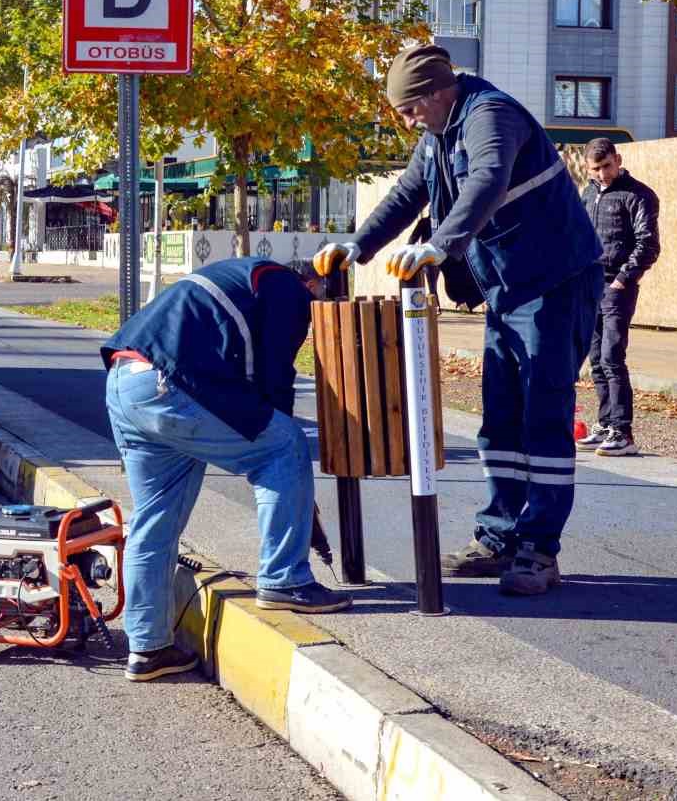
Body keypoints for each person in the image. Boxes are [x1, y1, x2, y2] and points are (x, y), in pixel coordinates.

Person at [313, 44, 602, 596]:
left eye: (409, 109)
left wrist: (442, 246)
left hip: (557, 284)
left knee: (543, 416)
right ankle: (498, 537)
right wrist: (359, 246)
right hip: (509, 290)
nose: (406, 121)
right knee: (500, 415)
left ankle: (538, 550)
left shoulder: (491, 114)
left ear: (438, 92)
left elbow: (488, 179)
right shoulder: (439, 135)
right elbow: (406, 194)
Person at [102, 256, 350, 682]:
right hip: (170, 384)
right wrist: (291, 481)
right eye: (326, 301)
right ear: (313, 283)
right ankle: (285, 579)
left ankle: (147, 648)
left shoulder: (243, 275)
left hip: (125, 381)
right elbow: (274, 378)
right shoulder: (285, 286)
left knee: (156, 519)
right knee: (284, 445)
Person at [575, 137, 660, 457]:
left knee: (612, 356)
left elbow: (648, 244)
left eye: (607, 166)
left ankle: (623, 432)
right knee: (596, 359)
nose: (602, 174)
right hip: (590, 286)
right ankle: (606, 423)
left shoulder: (638, 195)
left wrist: (624, 279)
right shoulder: (588, 193)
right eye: (595, 169)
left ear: (618, 159)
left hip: (616, 288)